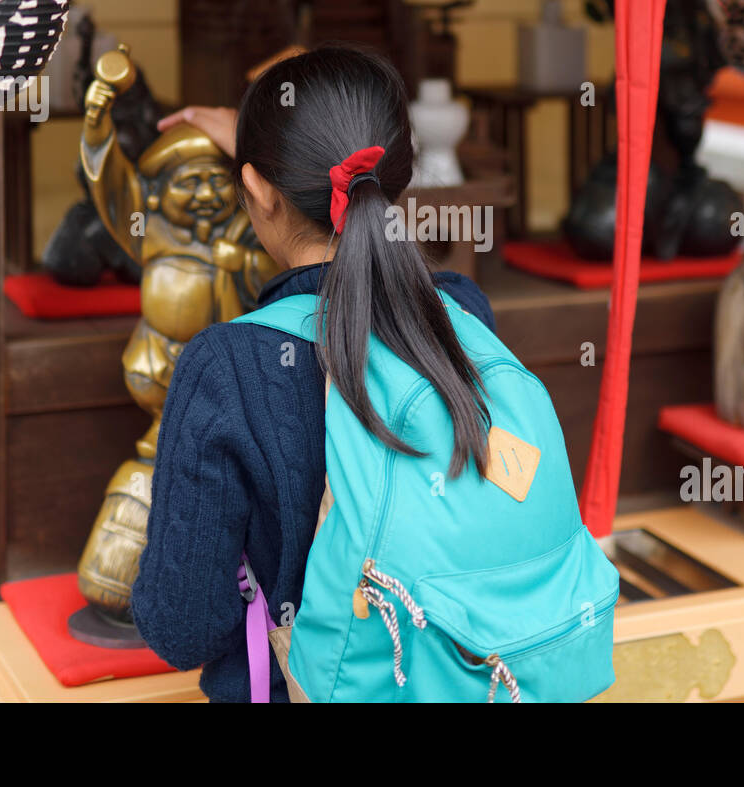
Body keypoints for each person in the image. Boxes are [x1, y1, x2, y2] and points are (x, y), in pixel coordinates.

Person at [129, 45, 496, 702]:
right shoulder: (461, 312)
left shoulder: (226, 367)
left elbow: (182, 627)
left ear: (257, 192)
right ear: (399, 175)